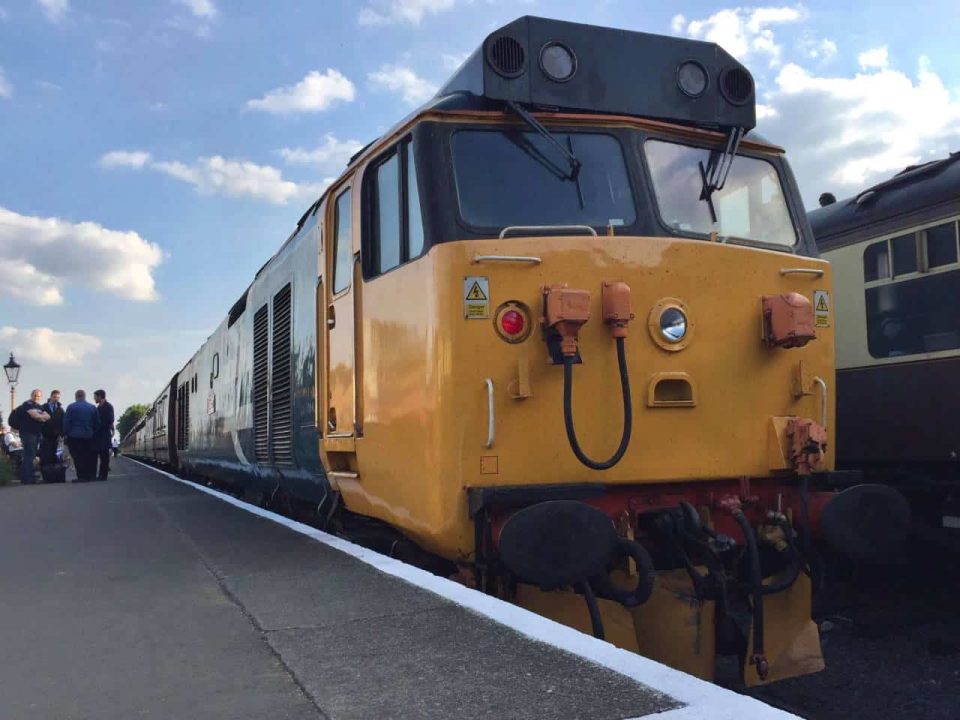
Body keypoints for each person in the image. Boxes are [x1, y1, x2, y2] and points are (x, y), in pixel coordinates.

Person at [15, 389, 51, 485]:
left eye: (38, 396)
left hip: (36, 434)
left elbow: (48, 416)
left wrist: (41, 417)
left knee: (31, 455)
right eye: (35, 395)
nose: (37, 397)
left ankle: (26, 478)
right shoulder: (27, 404)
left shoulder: (39, 406)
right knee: (29, 456)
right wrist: (41, 417)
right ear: (31, 395)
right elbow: (35, 416)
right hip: (28, 433)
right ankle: (28, 479)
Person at [64, 389, 99, 482]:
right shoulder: (92, 407)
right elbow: (97, 423)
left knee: (78, 457)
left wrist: (65, 433)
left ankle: (81, 476)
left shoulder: (71, 407)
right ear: (84, 396)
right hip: (89, 435)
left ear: (76, 397)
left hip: (74, 436)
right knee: (89, 456)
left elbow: (67, 422)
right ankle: (90, 475)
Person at [38, 390, 65, 469]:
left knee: (54, 453)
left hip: (56, 435)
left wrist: (62, 434)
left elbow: (62, 422)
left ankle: (52, 471)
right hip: (45, 434)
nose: (56, 399)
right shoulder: (43, 407)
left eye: (58, 397)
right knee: (45, 453)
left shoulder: (60, 409)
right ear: (51, 397)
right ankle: (45, 470)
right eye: (55, 397)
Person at [93, 389, 115, 481]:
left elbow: (111, 419)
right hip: (98, 435)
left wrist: (101, 425)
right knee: (99, 455)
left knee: (104, 456)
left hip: (105, 433)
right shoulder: (97, 408)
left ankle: (103, 475)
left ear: (100, 396)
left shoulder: (108, 406)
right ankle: (100, 475)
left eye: (95, 396)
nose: (94, 398)